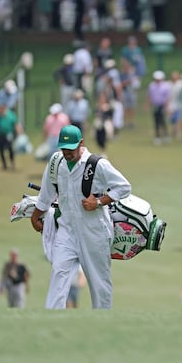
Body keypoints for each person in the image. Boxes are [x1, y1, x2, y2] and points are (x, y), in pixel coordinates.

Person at [30, 125, 131, 309]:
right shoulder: (56, 162)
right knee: (58, 272)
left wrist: (99, 202)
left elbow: (124, 187)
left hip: (95, 231)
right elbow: (46, 192)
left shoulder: (97, 164)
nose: (67, 153)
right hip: (67, 230)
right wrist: (36, 215)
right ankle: (51, 318)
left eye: (71, 148)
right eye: (64, 148)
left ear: (81, 144)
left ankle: (102, 322)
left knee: (99, 283)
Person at [0, 104, 23, 171]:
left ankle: (12, 163)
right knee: (1, 151)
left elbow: (16, 125)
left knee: (10, 149)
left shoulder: (11, 115)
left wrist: (20, 134)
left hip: (9, 135)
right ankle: (4, 164)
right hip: (1, 135)